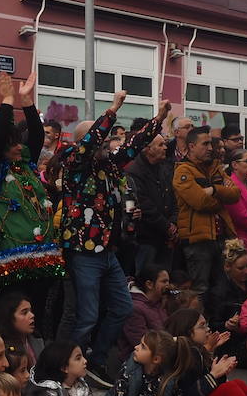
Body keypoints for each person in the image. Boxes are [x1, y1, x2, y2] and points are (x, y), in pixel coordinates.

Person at [55, 91, 169, 373]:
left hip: (107, 251)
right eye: (103, 141)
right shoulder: (73, 162)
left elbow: (133, 145)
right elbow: (90, 142)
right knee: (87, 316)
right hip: (83, 251)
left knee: (122, 308)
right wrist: (113, 110)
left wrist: (159, 119)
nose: (109, 146)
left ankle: (95, 360)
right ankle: (66, 367)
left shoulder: (106, 165)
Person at [0, 71, 63, 316]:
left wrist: (26, 100)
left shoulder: (25, 163)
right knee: (10, 311)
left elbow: (36, 136)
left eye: (19, 142)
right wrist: (6, 100)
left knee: (34, 310)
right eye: (12, 143)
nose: (19, 146)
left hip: (40, 255)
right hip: (7, 257)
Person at [173, 125, 239, 291]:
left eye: (211, 143)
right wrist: (220, 200)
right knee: (200, 288)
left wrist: (214, 190)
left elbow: (236, 194)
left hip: (220, 237)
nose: (210, 148)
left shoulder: (215, 168)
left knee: (221, 286)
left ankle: (218, 318)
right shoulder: (183, 171)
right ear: (192, 146)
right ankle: (199, 318)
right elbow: (200, 201)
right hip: (197, 241)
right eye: (205, 144)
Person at [126, 130, 177, 276]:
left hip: (166, 238)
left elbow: (173, 198)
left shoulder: (163, 167)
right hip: (146, 238)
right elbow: (143, 204)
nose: (165, 148)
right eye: (160, 145)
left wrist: (173, 224)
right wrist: (167, 227)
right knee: (146, 279)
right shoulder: (134, 171)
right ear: (148, 149)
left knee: (164, 282)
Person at [205, 238, 247, 337]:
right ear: (227, 266)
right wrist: (226, 325)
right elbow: (213, 325)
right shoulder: (218, 293)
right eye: (241, 268)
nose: (246, 271)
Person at [124, 264, 171, 351]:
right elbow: (141, 343)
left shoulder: (162, 302)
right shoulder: (135, 308)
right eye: (164, 282)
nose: (168, 285)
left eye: (168, 281)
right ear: (149, 284)